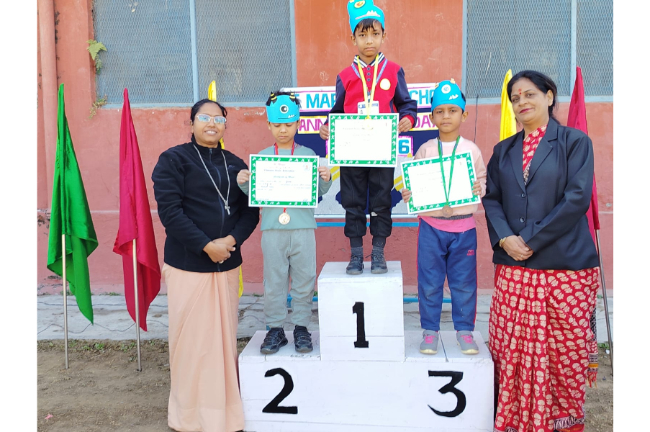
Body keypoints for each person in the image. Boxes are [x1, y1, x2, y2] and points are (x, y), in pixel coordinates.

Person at [482, 70, 600, 432]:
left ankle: (563, 423)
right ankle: (515, 421)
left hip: (564, 268)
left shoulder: (574, 143)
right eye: (515, 98)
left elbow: (576, 199)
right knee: (511, 353)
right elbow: (492, 199)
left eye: (530, 94)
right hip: (514, 269)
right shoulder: (503, 151)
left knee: (563, 357)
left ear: (549, 97)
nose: (522, 102)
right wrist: (505, 238)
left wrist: (529, 240)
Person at [152, 99, 260, 432]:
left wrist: (231, 241)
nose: (212, 123)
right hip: (188, 265)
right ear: (191, 123)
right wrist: (206, 245)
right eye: (204, 117)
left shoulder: (236, 164)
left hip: (226, 264)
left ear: (225, 125)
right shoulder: (173, 160)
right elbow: (171, 213)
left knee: (221, 343)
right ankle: (188, 417)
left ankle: (224, 416)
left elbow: (250, 211)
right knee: (192, 343)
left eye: (219, 119)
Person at [319, 0, 417, 275]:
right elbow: (337, 112)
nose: (369, 40)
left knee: (381, 201)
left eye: (375, 34)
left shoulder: (394, 71)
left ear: (384, 35)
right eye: (363, 35)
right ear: (353, 39)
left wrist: (408, 118)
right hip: (351, 152)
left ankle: (378, 253)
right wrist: (326, 126)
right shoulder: (345, 76)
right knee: (352, 201)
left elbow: (407, 104)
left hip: (382, 151)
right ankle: (355, 255)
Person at [237, 91, 332, 354]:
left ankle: (301, 327)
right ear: (269, 125)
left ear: (298, 124)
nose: (283, 130)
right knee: (274, 281)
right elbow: (256, 193)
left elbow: (319, 191)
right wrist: (244, 183)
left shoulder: (308, 155)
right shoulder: (263, 157)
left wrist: (325, 178)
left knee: (304, 279)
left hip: (303, 228)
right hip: (273, 229)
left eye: (288, 124)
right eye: (277, 125)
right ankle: (275, 328)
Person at [400, 80, 486, 355]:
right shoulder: (425, 149)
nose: (446, 116)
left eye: (452, 110)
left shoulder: (471, 150)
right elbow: (412, 183)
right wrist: (409, 193)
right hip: (431, 228)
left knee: (464, 282)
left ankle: (464, 331)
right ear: (432, 117)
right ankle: (430, 331)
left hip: (464, 229)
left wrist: (479, 188)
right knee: (429, 281)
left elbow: (482, 179)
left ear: (464, 115)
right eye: (440, 111)